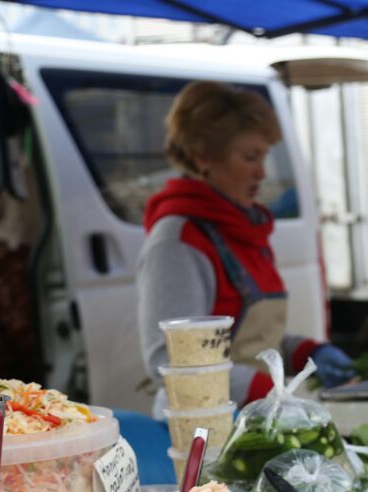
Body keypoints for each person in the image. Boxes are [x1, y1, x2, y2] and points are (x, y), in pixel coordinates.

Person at [137, 81, 355, 407]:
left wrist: (306, 353)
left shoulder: (243, 231)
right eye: (250, 157)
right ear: (203, 157)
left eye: (265, 156)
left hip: (256, 416)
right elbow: (170, 361)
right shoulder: (178, 242)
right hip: (203, 428)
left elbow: (249, 342)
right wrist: (268, 390)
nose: (262, 173)